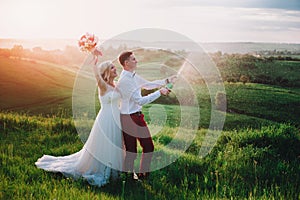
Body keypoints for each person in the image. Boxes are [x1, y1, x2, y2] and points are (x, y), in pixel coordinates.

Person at [35, 58, 124, 187]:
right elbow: (97, 77)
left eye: (114, 67)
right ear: (106, 72)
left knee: (115, 143)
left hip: (116, 118)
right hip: (106, 119)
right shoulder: (103, 86)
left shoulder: (115, 85)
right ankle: (102, 170)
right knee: (105, 145)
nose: (115, 69)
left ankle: (114, 171)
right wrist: (94, 62)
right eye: (112, 67)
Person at [117, 51, 176, 180]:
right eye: (133, 59)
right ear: (126, 63)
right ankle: (127, 178)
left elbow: (148, 85)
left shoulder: (133, 76)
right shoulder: (125, 81)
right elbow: (141, 100)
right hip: (128, 118)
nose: (136, 61)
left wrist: (167, 80)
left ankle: (143, 176)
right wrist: (160, 92)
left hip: (138, 116)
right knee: (131, 151)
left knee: (149, 147)